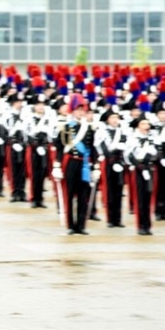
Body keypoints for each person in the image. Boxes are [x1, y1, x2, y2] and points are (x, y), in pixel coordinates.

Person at [52, 94, 99, 235]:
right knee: (70, 194)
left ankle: (81, 225)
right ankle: (71, 225)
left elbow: (92, 148)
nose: (80, 112)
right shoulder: (66, 127)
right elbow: (60, 147)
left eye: (82, 110)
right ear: (72, 111)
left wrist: (96, 166)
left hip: (84, 164)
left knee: (83, 196)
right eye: (78, 110)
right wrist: (57, 165)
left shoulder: (89, 128)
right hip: (71, 163)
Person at [94, 107, 127, 228]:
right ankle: (110, 219)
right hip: (108, 163)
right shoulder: (102, 131)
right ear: (107, 119)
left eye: (116, 117)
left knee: (119, 191)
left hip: (120, 163)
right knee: (109, 191)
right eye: (112, 117)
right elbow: (101, 147)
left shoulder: (123, 131)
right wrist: (110, 156)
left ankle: (118, 219)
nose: (115, 120)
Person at [124, 114, 157, 235]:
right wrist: (139, 165)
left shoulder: (152, 138)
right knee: (140, 198)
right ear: (138, 126)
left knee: (149, 197)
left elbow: (156, 151)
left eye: (147, 124)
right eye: (143, 124)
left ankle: (148, 225)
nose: (146, 126)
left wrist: (151, 159)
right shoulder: (132, 138)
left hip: (149, 169)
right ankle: (140, 225)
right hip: (138, 169)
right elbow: (128, 155)